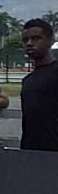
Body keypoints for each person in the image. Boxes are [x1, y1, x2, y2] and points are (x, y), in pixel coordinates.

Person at [18, 19, 57, 151]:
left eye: (36, 38)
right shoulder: (28, 80)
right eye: (25, 40)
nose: (29, 43)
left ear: (50, 40)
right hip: (31, 153)